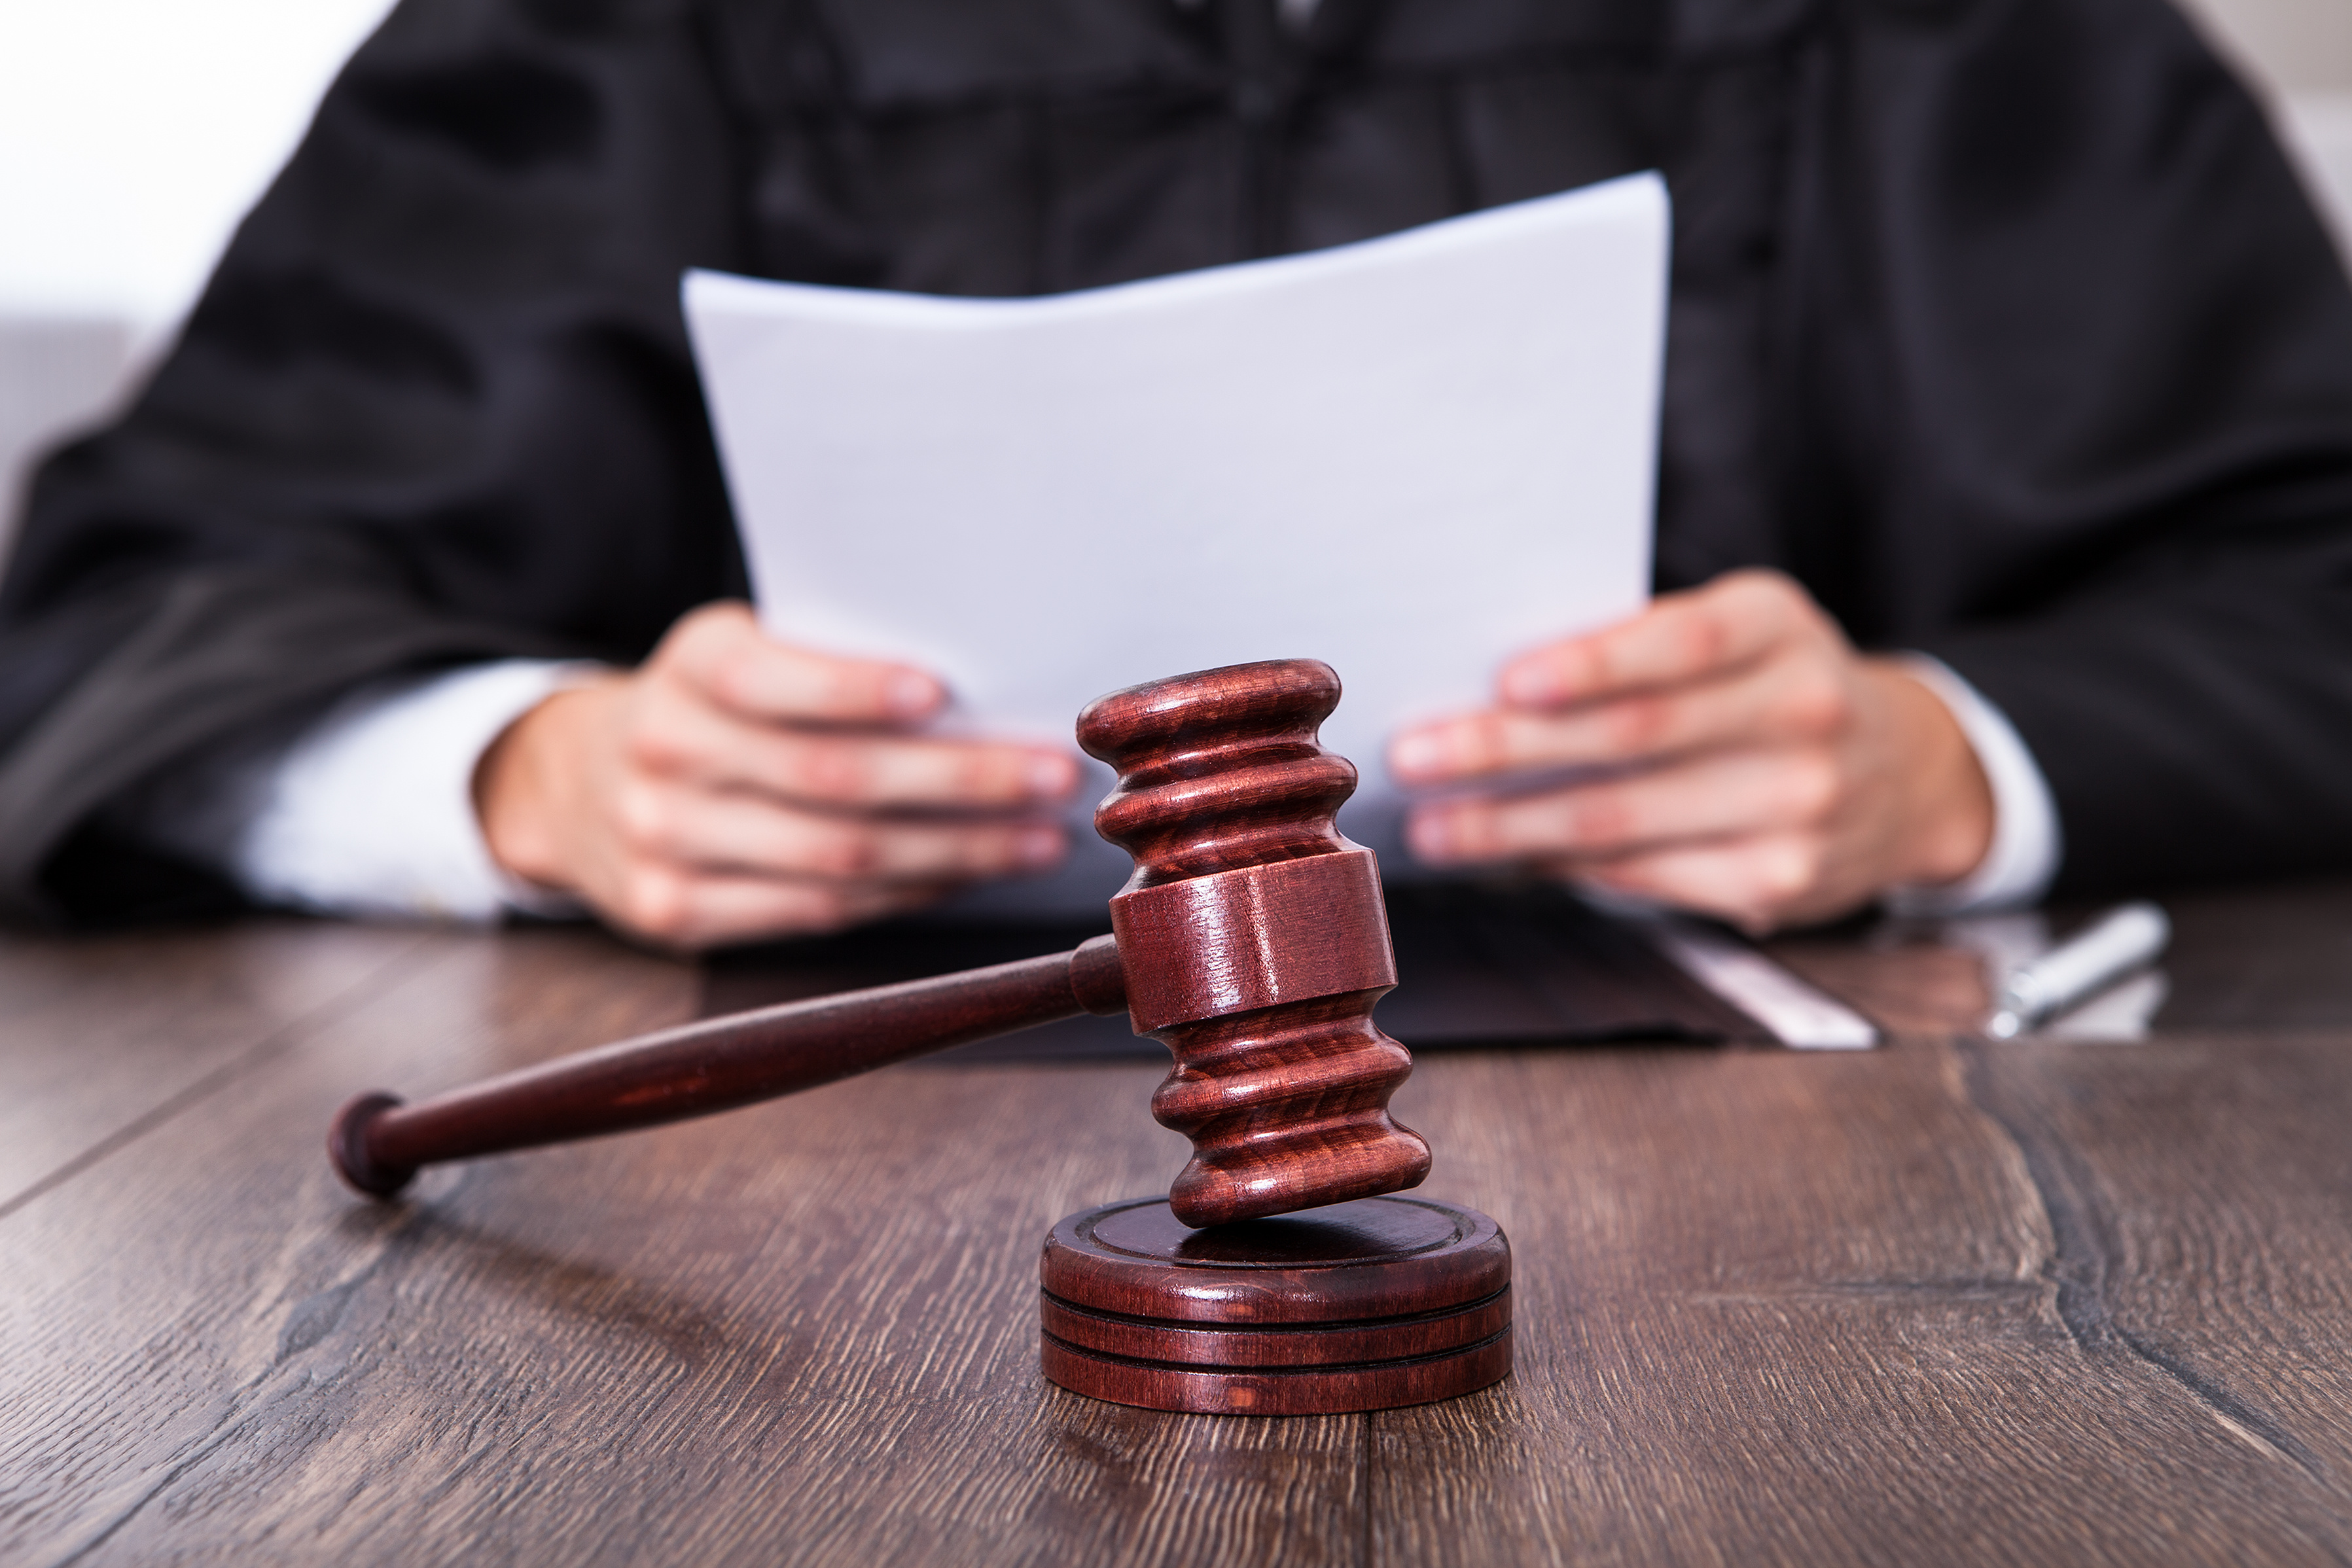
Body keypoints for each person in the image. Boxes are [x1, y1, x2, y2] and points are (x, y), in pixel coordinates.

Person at [4, 0, 2351, 950]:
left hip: (1820, 1210)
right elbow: (142, 609)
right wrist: (529, 774)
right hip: (812, 1199)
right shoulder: (658, 23)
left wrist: (1941, 759)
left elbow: (2304, 569)